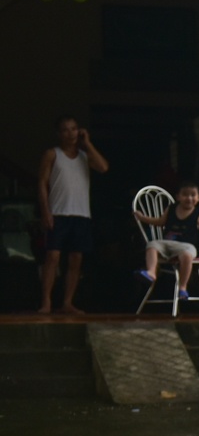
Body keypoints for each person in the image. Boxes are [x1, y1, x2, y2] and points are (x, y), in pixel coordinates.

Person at [37, 115, 108, 315]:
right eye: (66, 130)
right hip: (58, 212)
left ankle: (67, 302)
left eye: (74, 129)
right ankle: (46, 302)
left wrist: (88, 144)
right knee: (53, 256)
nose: (71, 133)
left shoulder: (86, 156)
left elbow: (103, 167)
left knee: (76, 259)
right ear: (59, 134)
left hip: (81, 214)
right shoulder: (53, 154)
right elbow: (42, 183)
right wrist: (45, 211)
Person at [133, 180, 199, 299]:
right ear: (178, 197)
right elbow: (159, 222)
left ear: (198, 197)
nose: (189, 198)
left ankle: (183, 287)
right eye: (185, 195)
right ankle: (152, 272)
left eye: (193, 195)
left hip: (186, 246)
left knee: (187, 255)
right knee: (152, 245)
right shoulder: (171, 208)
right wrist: (143, 218)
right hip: (167, 244)